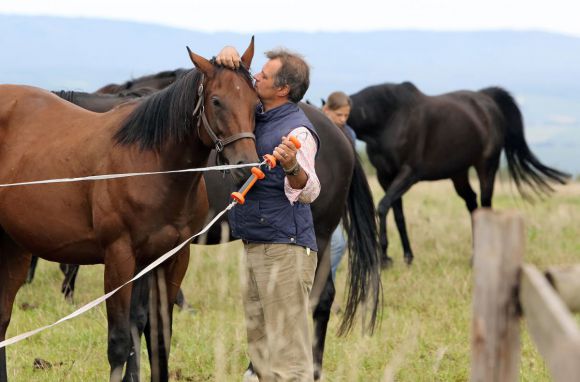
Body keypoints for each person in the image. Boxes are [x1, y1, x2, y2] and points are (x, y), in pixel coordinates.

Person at [216, 46, 320, 381]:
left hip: (285, 249)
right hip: (255, 243)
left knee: (287, 354)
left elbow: (310, 189)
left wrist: (291, 165)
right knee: (259, 346)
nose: (256, 76)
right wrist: (226, 55)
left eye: (263, 74)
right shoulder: (257, 115)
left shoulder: (298, 131)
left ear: (283, 89)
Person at [322, 92, 356, 283]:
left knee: (337, 244)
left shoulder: (348, 134)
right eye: (339, 115)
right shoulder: (314, 130)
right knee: (336, 243)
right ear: (327, 110)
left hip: (335, 203)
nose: (343, 120)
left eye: (346, 116)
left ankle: (325, 288)